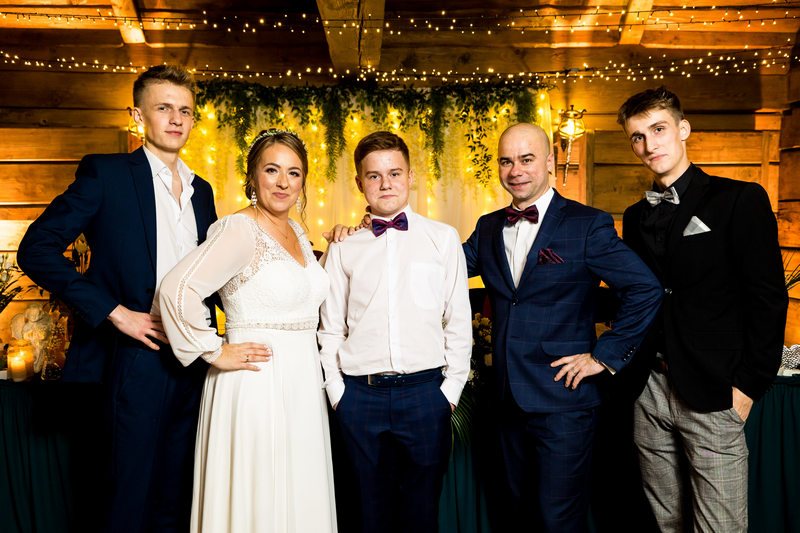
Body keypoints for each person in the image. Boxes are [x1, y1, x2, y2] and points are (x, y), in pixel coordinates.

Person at [16, 65, 218, 532]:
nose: (176, 119)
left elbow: (214, 274)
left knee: (176, 499)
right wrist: (114, 312)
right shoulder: (106, 174)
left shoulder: (202, 191)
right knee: (125, 500)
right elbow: (36, 248)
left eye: (185, 110)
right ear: (138, 115)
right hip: (130, 357)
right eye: (164, 108)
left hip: (191, 360)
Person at [462, 122, 662, 532]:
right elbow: (434, 268)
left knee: (559, 522)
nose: (515, 170)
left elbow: (645, 288)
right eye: (506, 161)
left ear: (550, 161)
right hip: (506, 402)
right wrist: (365, 233)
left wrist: (603, 357)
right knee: (514, 518)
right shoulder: (487, 226)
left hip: (564, 404)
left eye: (527, 159)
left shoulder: (587, 224)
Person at [617, 87, 788, 532]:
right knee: (667, 523)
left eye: (658, 129)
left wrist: (748, 386)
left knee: (720, 526)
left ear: (683, 129)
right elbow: (641, 296)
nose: (649, 144)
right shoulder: (634, 217)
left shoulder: (738, 199)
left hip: (713, 390)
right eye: (638, 136)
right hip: (649, 389)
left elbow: (768, 297)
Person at [159, 128, 336, 533]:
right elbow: (177, 289)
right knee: (258, 494)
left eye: (293, 173)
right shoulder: (238, 229)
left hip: (302, 385)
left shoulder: (299, 233)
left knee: (298, 492)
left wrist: (342, 242)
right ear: (253, 176)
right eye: (272, 170)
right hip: (256, 383)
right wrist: (212, 350)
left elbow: (303, 296)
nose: (283, 182)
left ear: (303, 182)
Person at [318, 131, 472, 533]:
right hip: (359, 397)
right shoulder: (344, 246)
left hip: (425, 396)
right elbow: (330, 328)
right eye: (374, 176)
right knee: (366, 515)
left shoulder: (442, 238)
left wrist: (449, 392)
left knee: (421, 515)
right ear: (359, 183)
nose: (385, 183)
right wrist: (337, 394)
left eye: (394, 173)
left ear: (410, 176)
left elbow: (458, 321)